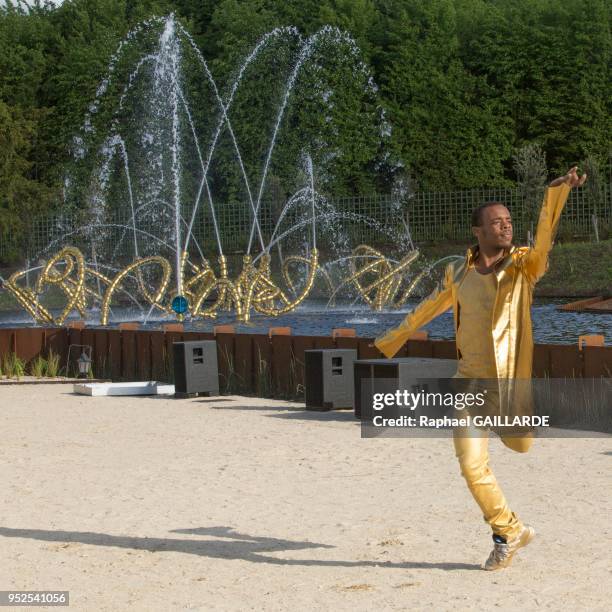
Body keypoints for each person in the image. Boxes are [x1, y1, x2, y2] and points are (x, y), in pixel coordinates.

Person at [374, 166, 587, 570]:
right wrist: (392, 338)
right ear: (478, 231)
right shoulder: (458, 272)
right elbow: (427, 308)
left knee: (520, 444)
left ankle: (511, 513)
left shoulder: (525, 267)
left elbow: (543, 240)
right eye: (497, 223)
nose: (506, 228)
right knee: (471, 465)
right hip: (467, 384)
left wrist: (555, 195)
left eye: (508, 222)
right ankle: (507, 531)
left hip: (507, 386)